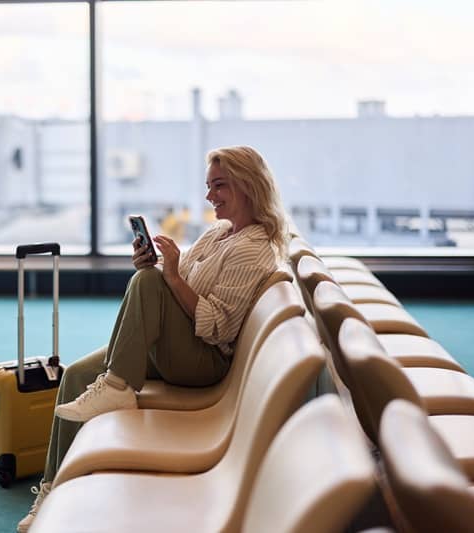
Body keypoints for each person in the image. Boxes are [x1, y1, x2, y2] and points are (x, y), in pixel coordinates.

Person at [17, 145, 288, 532]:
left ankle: (117, 383)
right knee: (77, 375)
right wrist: (160, 270)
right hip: (178, 344)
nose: (210, 196)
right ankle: (51, 490)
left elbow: (218, 327)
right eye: (209, 186)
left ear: (249, 186)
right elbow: (178, 291)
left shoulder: (253, 249)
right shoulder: (219, 234)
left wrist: (170, 277)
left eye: (220, 186)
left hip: (203, 362)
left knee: (148, 282)